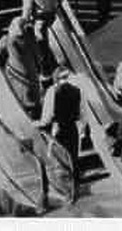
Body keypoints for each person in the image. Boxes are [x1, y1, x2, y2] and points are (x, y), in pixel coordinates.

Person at [40, 66, 86, 200]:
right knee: (73, 158)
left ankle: (67, 192)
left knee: (60, 159)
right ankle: (75, 189)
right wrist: (82, 129)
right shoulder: (78, 91)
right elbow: (83, 113)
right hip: (73, 128)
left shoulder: (52, 91)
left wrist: (42, 124)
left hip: (58, 128)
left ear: (56, 77)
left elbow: (48, 115)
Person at [0, 16, 42, 118]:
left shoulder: (8, 40)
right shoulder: (31, 38)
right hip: (32, 75)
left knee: (20, 95)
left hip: (18, 76)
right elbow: (38, 57)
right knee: (32, 98)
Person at [21, 0, 61, 79]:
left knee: (40, 41)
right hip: (52, 15)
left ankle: (46, 70)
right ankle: (51, 64)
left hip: (41, 18)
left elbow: (28, 7)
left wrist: (25, 19)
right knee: (43, 38)